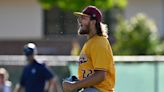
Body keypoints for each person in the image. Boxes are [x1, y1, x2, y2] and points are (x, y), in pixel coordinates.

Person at [62, 6, 116, 92]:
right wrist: (76, 82)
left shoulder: (99, 42)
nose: (80, 21)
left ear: (93, 22)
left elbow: (100, 75)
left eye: (84, 18)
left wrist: (75, 85)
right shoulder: (90, 43)